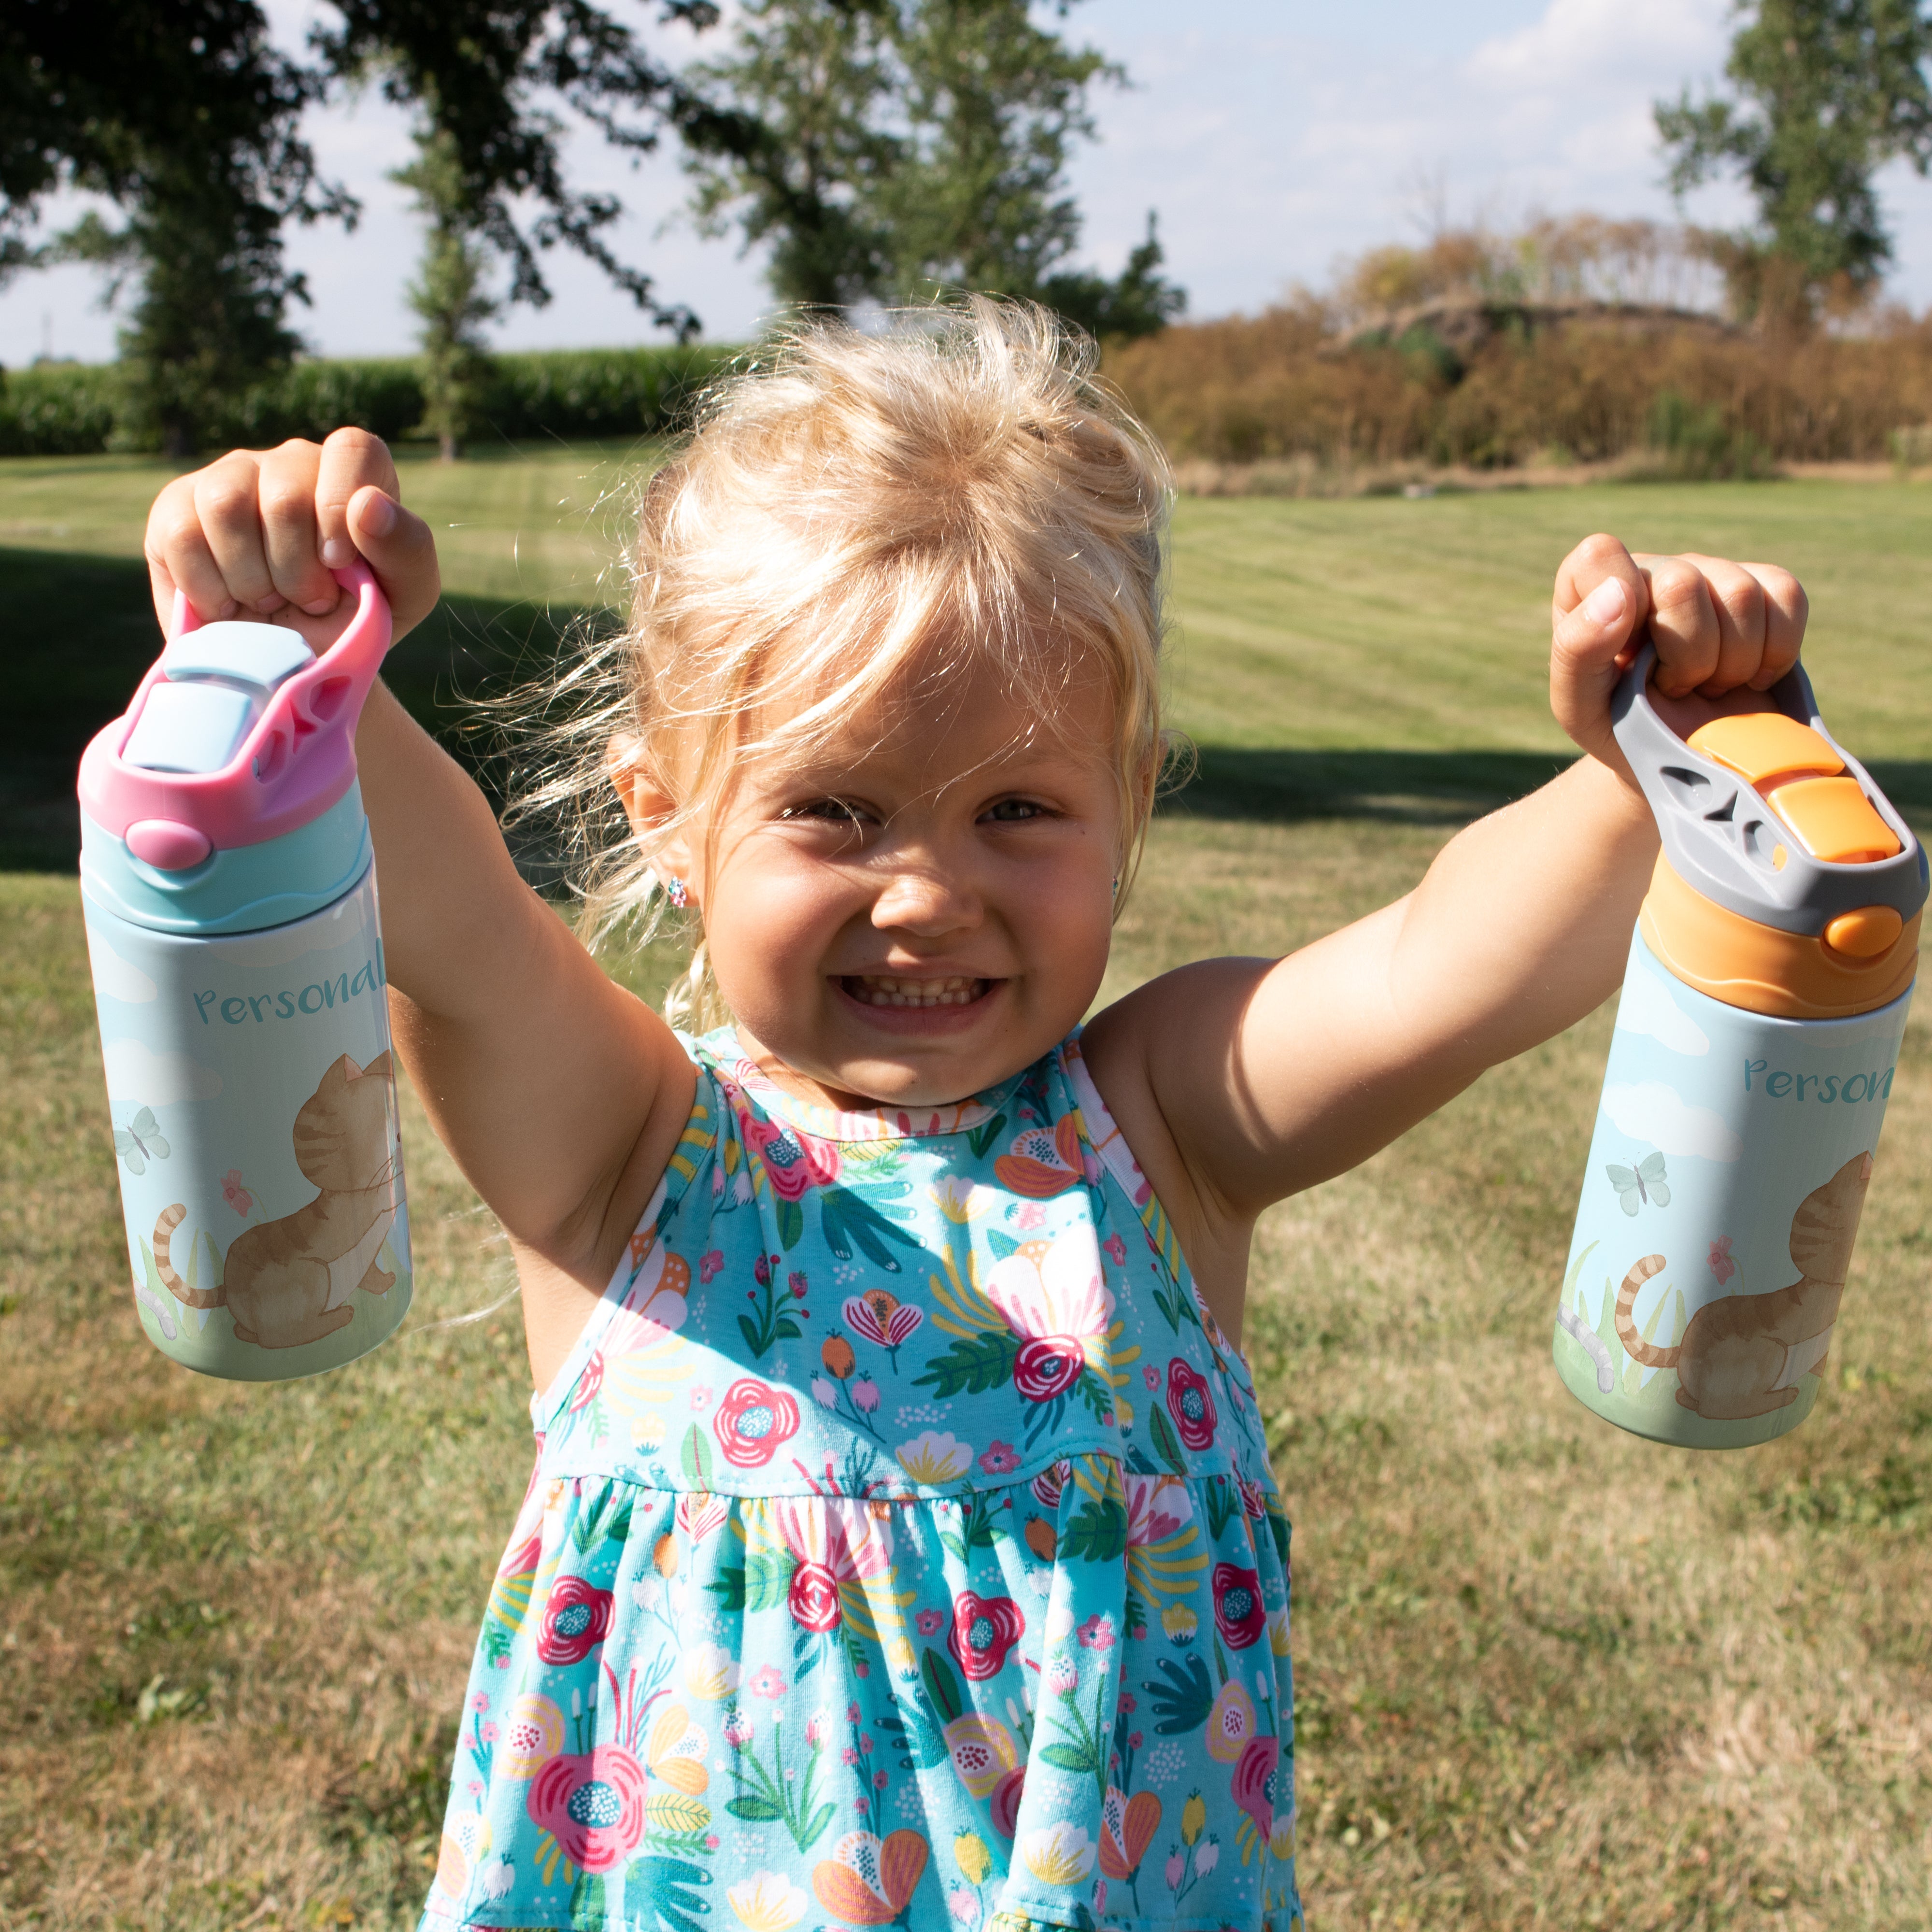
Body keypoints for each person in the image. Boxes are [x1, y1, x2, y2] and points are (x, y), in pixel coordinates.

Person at [139, 300, 1806, 1932]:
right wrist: (298, 676)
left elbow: (1453, 965)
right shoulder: (630, 1154)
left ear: (1130, 801)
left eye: (1019, 809)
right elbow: (461, 934)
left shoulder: (1164, 1133)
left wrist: (1649, 762)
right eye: (834, 810)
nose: (927, 894)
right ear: (668, 818)